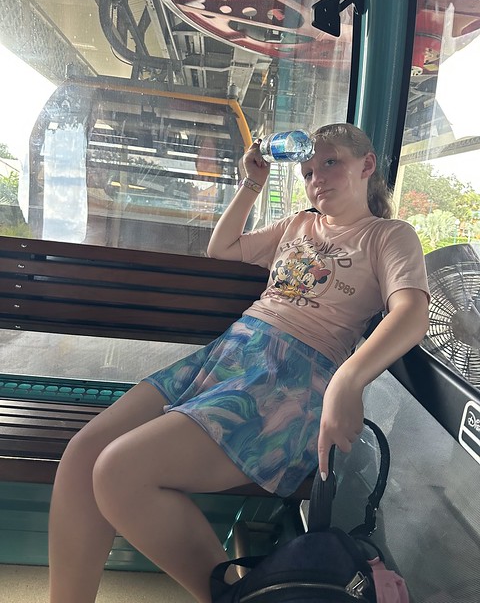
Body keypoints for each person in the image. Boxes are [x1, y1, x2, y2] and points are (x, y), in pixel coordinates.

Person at [48, 123, 430, 603]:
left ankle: (234, 597)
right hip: (230, 354)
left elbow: (411, 312)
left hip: (289, 380)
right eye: (308, 171)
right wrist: (253, 181)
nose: (316, 178)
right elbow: (222, 248)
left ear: (367, 165)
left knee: (119, 470)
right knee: (83, 453)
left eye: (330, 163)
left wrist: (347, 380)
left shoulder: (388, 236)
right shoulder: (298, 224)